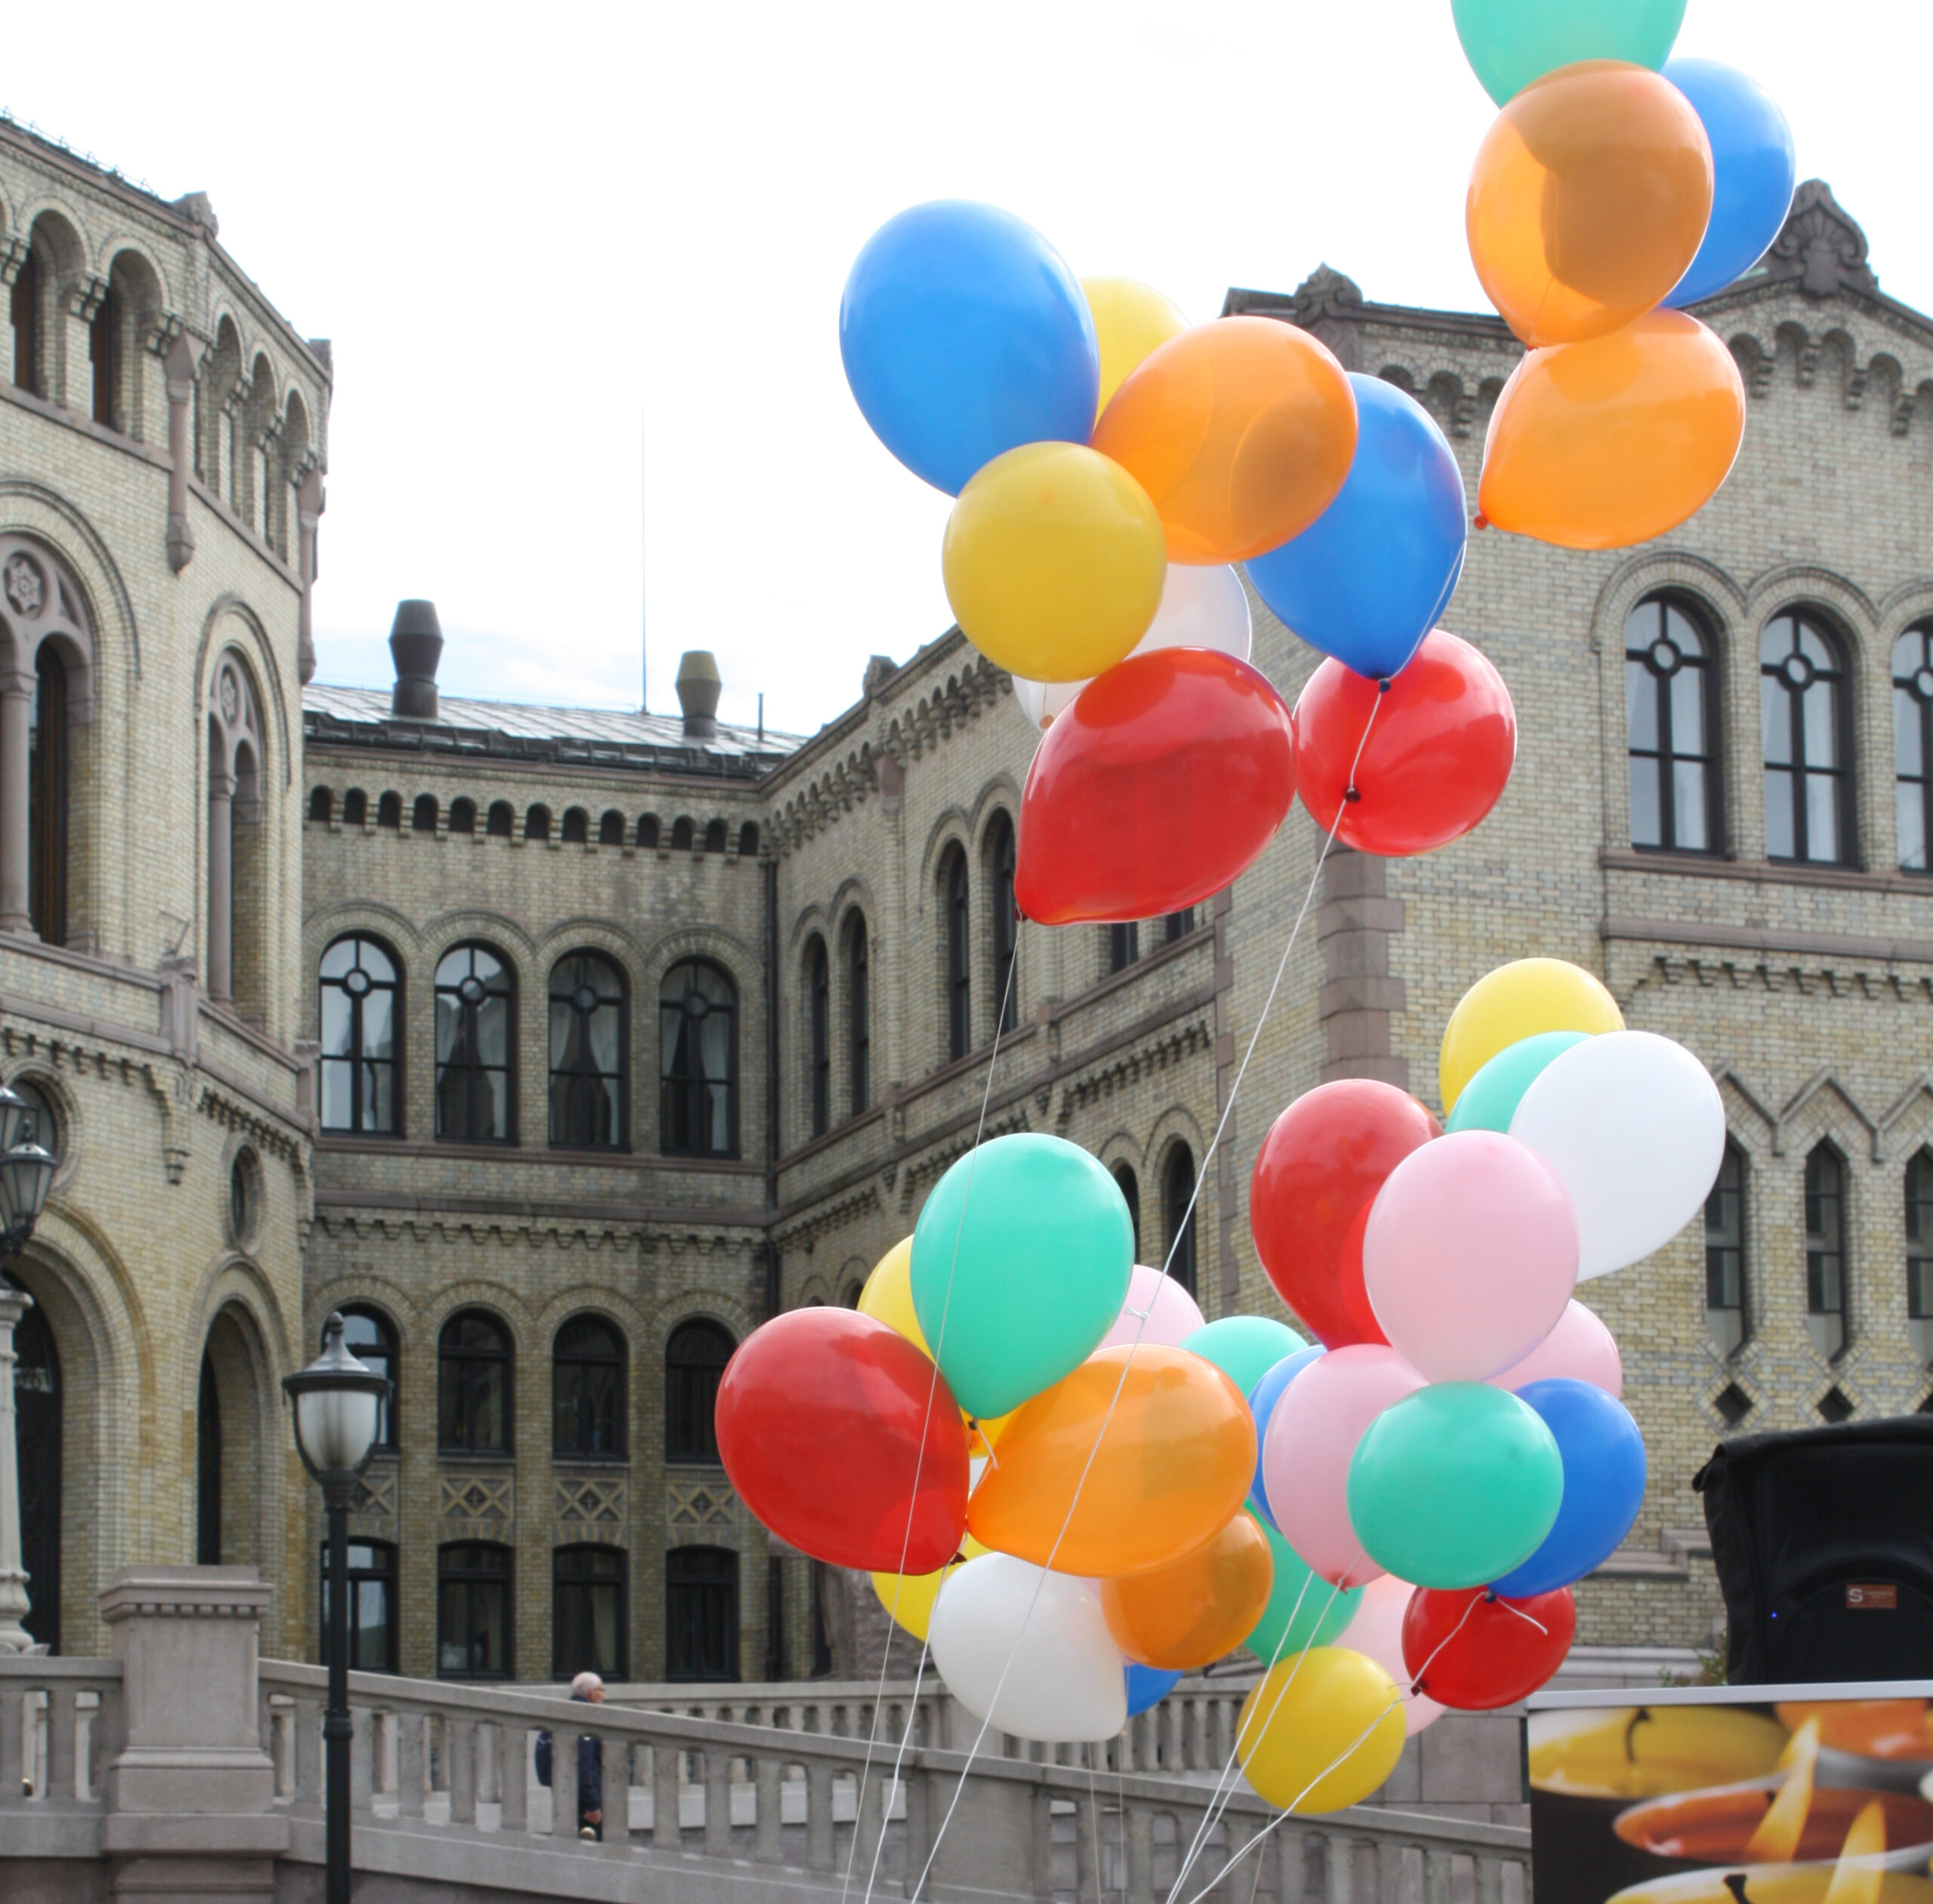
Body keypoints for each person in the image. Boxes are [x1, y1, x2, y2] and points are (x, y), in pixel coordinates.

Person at [535, 1671, 606, 1838]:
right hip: (582, 1802)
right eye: (602, 1690)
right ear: (592, 1693)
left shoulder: (561, 1714)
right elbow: (585, 1765)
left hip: (562, 1791)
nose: (603, 1695)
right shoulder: (586, 1719)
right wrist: (592, 1805)